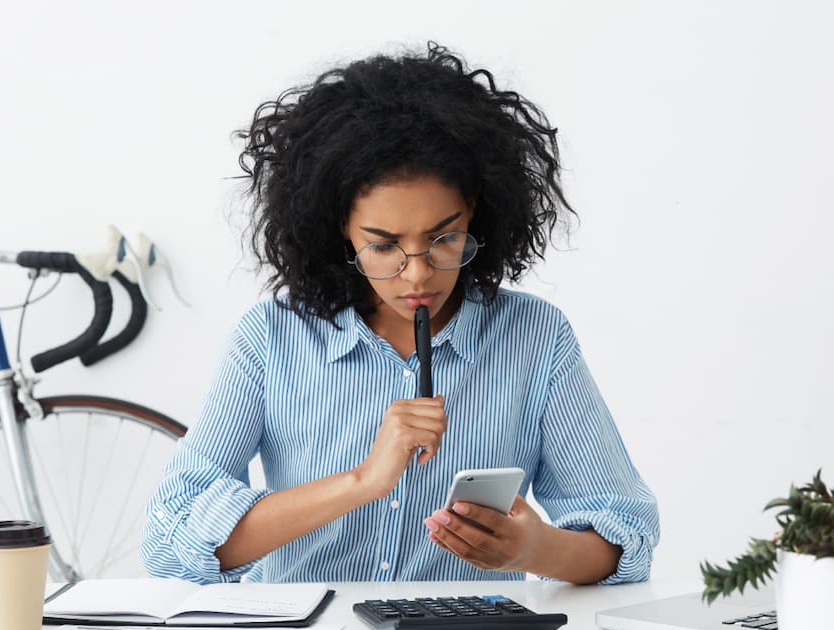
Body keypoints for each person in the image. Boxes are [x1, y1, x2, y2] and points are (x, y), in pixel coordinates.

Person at [141, 42, 659, 585]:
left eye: (444, 237)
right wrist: (363, 480)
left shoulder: (534, 337)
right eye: (384, 245)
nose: (417, 276)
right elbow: (171, 544)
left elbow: (625, 536)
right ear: (338, 226)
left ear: (478, 213)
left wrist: (535, 550)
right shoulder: (272, 337)